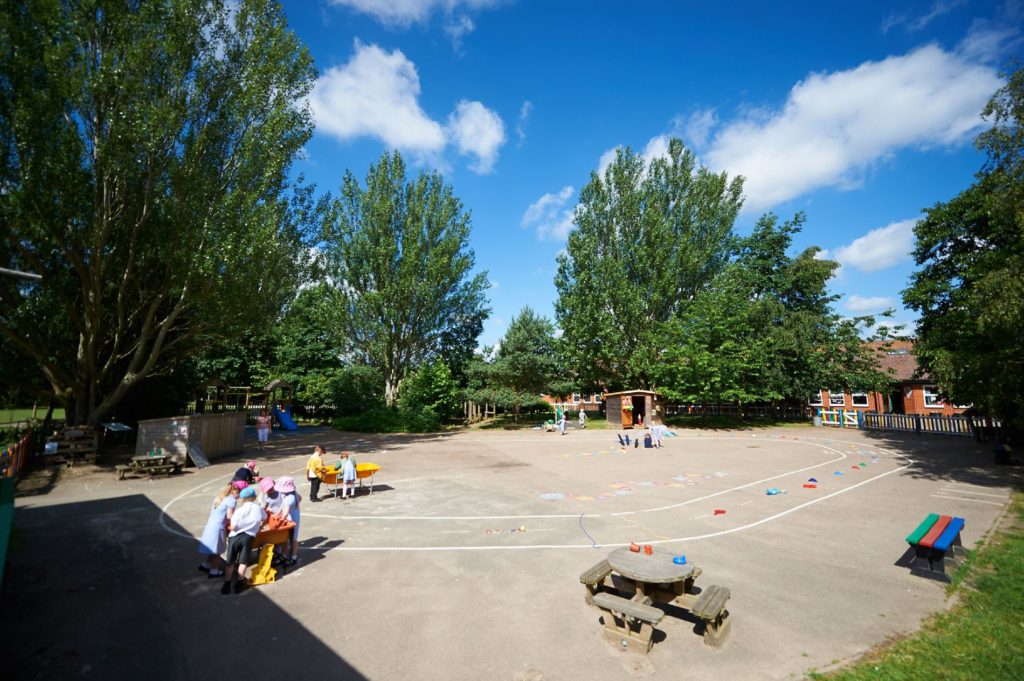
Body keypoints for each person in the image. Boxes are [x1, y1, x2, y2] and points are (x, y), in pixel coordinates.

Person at [222, 486, 266, 594]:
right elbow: (264, 518)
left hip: (235, 537)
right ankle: (239, 583)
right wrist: (259, 526)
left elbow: (233, 526)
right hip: (248, 537)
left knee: (230, 561)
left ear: (242, 499)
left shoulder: (239, 511)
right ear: (254, 497)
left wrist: (229, 528)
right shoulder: (258, 508)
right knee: (243, 561)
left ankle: (227, 584)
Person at [198, 484, 238, 577]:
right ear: (234, 492)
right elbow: (229, 517)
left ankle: (205, 564)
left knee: (212, 548)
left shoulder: (219, 497)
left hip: (210, 526)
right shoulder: (231, 500)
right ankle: (214, 571)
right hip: (218, 528)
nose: (239, 496)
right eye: (239, 493)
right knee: (217, 551)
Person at [275, 476, 301, 566]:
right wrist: (277, 513)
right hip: (293, 517)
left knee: (293, 539)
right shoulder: (292, 493)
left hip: (291, 520)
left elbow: (285, 513)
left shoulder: (289, 498)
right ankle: (284, 554)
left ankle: (293, 556)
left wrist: (278, 522)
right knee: (285, 538)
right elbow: (300, 498)